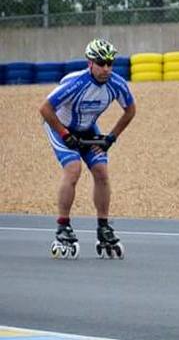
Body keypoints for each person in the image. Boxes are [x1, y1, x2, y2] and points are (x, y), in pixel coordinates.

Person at [39, 38, 136, 259]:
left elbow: (130, 110)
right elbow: (45, 109)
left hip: (87, 129)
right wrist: (65, 134)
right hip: (60, 127)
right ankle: (63, 226)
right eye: (101, 63)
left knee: (102, 173)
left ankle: (103, 227)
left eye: (110, 63)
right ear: (89, 63)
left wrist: (111, 138)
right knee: (73, 169)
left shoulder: (117, 84)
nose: (106, 68)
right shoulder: (75, 83)